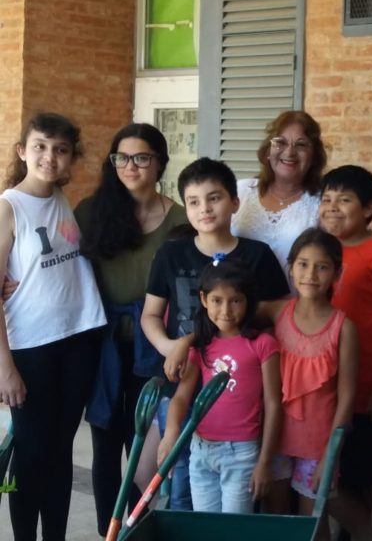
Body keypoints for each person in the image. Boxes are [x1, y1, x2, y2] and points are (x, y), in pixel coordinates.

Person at [141, 157, 290, 509]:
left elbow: (277, 312)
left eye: (214, 198)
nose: (204, 208)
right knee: (180, 486)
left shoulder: (257, 255)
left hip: (236, 392)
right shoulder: (171, 253)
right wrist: (172, 347)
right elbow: (150, 315)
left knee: (233, 489)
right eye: (193, 201)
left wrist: (193, 339)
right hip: (183, 380)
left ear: (235, 202)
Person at [74, 123, 188, 536]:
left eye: (141, 157)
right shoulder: (91, 212)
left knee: (142, 446)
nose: (130, 166)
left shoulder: (179, 219)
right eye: (121, 157)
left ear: (159, 163)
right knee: (105, 442)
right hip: (102, 343)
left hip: (155, 344)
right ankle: (109, 531)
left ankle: (137, 529)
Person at [0, 112, 107, 541]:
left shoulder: (64, 200)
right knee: (30, 453)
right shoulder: (9, 207)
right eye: (41, 146)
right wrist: (4, 367)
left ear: (70, 159)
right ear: (23, 151)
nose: (50, 156)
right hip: (31, 346)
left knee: (61, 452)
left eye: (61, 149)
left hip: (78, 338)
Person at [157, 257, 282, 513]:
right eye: (217, 301)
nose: (226, 311)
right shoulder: (201, 346)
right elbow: (181, 398)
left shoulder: (262, 344)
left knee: (232, 531)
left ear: (248, 301)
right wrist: (170, 433)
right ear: (203, 299)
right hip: (201, 450)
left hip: (242, 454)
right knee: (207, 530)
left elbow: (273, 404)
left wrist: (265, 461)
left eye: (236, 300)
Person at [318, 164, 372, 539]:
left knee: (369, 483)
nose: (333, 207)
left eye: (345, 200)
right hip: (327, 391)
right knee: (329, 481)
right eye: (327, 199)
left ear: (369, 208)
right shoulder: (318, 249)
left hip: (370, 391)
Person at [257, 228, 358, 540]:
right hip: (276, 433)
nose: (310, 274)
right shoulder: (275, 312)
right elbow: (228, 319)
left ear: (337, 273)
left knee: (313, 521)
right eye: (302, 264)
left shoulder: (343, 327)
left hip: (318, 439)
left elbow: (347, 395)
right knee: (274, 512)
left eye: (322, 266)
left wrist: (331, 451)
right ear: (290, 267)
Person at [231, 110, 326, 281]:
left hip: (294, 306)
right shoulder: (240, 191)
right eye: (280, 142)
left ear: (314, 156)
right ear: (268, 150)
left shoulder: (321, 203)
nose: (289, 152)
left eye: (301, 145)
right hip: (234, 305)